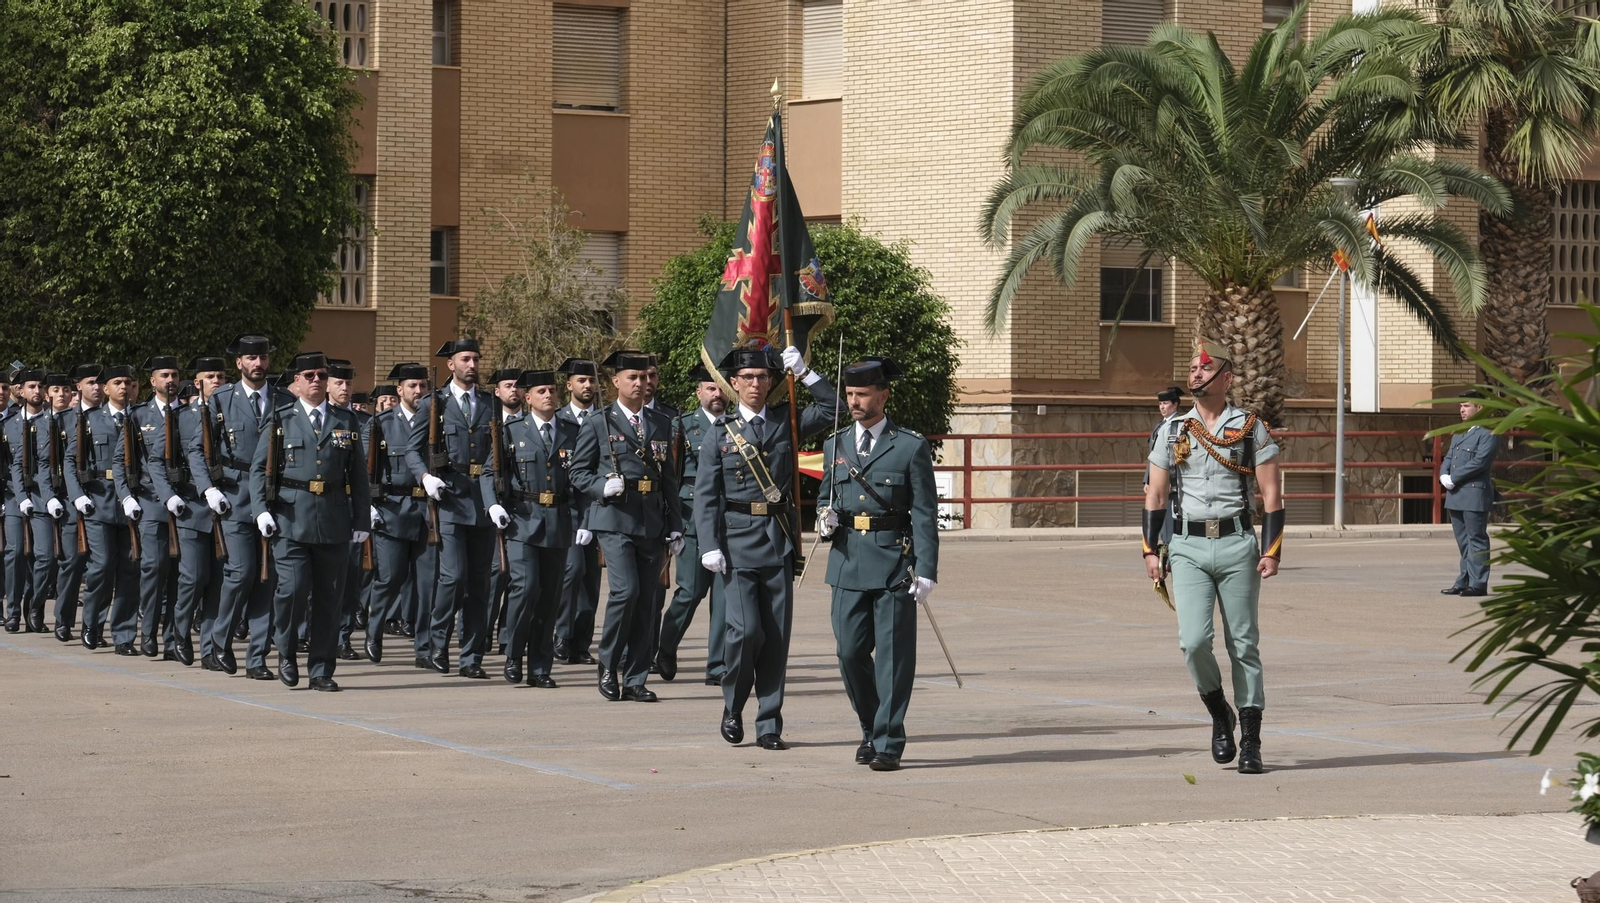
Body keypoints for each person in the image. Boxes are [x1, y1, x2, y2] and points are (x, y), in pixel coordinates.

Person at [1143, 338, 1283, 775]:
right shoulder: (1172, 430)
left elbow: (1272, 494)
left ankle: (1252, 741)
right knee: (1194, 641)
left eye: (1205, 369)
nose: (1195, 374)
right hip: (1186, 547)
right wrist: (1150, 549)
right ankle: (1220, 712)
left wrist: (1272, 549)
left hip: (1238, 543)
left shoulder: (1250, 428)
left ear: (1227, 378)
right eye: (1192, 369)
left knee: (1243, 644)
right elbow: (1157, 493)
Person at [695, 342, 838, 750]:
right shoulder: (718, 434)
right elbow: (707, 496)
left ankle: (769, 723)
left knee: (775, 639)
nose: (755, 383)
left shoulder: (785, 422)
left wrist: (807, 373)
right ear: (734, 383)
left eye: (762, 377)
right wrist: (709, 544)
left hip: (776, 541)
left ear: (772, 381)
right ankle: (733, 704)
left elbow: (833, 410)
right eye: (747, 378)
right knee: (745, 632)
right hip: (736, 545)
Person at [816, 357, 939, 771]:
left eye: (862, 394)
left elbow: (923, 512)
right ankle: (870, 725)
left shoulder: (908, 445)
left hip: (893, 565)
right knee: (849, 652)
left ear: (883, 396)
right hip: (847, 562)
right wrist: (824, 518)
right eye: (850, 394)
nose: (854, 401)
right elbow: (825, 499)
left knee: (892, 658)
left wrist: (926, 569)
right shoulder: (835, 444)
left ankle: (888, 741)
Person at [250, 352, 371, 691]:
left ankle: (321, 669)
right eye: (309, 375)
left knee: (329, 599)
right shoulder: (281, 419)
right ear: (297, 382)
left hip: (333, 521)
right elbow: (259, 469)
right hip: (290, 519)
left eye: (321, 374)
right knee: (292, 591)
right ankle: (286, 652)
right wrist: (260, 509)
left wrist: (361, 518)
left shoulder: (345, 421)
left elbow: (358, 476)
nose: (316, 379)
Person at [569, 350, 683, 702]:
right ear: (616, 382)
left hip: (651, 520)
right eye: (632, 377)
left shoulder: (662, 422)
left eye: (644, 377)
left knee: (648, 601)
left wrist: (676, 523)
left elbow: (669, 478)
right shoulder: (598, 422)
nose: (640, 383)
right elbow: (577, 472)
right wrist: (601, 487)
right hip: (615, 519)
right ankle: (608, 664)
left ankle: (635, 678)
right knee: (626, 591)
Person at [187, 334, 279, 678]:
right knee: (240, 573)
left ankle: (257, 658)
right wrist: (207, 488)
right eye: (251, 358)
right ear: (239, 363)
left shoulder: (282, 399)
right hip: (235, 495)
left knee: (266, 578)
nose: (258, 363)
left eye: (263, 357)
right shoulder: (221, 399)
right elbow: (197, 450)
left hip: (272, 496)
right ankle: (217, 643)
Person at [406, 339, 496, 679]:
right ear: (451, 365)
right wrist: (426, 476)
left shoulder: (490, 404)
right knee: (453, 576)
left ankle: (471, 656)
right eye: (465, 359)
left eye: (475, 358)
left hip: (483, 501)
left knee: (479, 583)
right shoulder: (435, 403)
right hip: (450, 498)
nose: (471, 364)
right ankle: (437, 644)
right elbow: (411, 451)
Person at [482, 369, 577, 688]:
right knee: (525, 590)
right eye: (541, 391)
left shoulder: (571, 431)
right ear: (527, 396)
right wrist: (493, 504)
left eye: (552, 390)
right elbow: (487, 473)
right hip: (523, 521)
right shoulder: (511, 431)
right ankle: (513, 652)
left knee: (550, 598)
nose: (548, 395)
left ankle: (540, 667)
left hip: (559, 522)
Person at [655, 364, 729, 686]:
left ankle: (718, 667)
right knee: (690, 593)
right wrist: (671, 523)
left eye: (721, 387)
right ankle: (665, 648)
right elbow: (670, 478)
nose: (717, 393)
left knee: (725, 602)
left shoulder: (739, 426)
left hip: (732, 522)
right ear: (698, 392)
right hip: (694, 521)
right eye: (710, 388)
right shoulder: (682, 427)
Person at [114, 356, 184, 658]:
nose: (170, 380)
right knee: (154, 569)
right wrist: (126, 497)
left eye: (174, 375)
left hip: (186, 504)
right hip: (151, 502)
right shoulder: (138, 415)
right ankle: (147, 632)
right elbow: (120, 461)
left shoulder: (191, 413)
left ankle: (172, 638)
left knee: (180, 574)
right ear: (152, 381)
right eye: (164, 375)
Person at [73, 365, 139, 651]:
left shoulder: (141, 419)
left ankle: (124, 635)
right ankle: (92, 623)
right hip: (99, 501)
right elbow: (69, 461)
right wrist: (78, 495)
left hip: (133, 504)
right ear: (106, 388)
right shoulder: (89, 421)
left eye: (127, 382)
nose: (123, 387)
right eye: (117, 382)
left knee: (129, 569)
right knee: (100, 566)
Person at [553, 357, 602, 665]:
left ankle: (582, 642)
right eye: (581, 381)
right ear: (568, 385)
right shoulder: (558, 420)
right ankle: (562, 634)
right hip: (568, 509)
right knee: (571, 572)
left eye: (592, 381)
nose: (588, 386)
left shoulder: (607, 420)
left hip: (599, 507)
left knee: (592, 579)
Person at [54, 364, 107, 643]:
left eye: (100, 382)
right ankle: (63, 620)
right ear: (79, 387)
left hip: (102, 501)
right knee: (72, 565)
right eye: (91, 382)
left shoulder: (110, 418)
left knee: (102, 566)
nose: (97, 387)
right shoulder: (62, 420)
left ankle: (94, 625)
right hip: (70, 502)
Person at [1440, 390, 1498, 598]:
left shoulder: (1488, 433)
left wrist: (1454, 477)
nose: (1462, 410)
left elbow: (1480, 462)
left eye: (1466, 406)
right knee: (1463, 541)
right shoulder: (1460, 432)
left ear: (1479, 408)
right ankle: (1464, 581)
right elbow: (1449, 457)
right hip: (1455, 495)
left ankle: (1478, 584)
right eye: (1461, 406)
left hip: (1474, 494)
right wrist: (1443, 475)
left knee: (1476, 539)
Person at [2, 369, 44, 633]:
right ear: (21, 391)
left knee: (43, 558)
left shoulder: (53, 422)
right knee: (15, 553)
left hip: (43, 496)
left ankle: (34, 605)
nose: (36, 391)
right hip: (14, 495)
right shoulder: (8, 425)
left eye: (41, 387)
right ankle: (13, 611)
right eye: (31, 387)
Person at [487, 367, 524, 653]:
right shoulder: (487, 421)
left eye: (518, 386)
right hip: (489, 507)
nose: (514, 390)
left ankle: (506, 635)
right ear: (497, 391)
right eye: (508, 385)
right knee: (494, 575)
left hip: (520, 509)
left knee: (515, 576)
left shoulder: (528, 423)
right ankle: (482, 631)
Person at [1145, 386, 1183, 548]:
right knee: (1161, 512)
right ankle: (1166, 542)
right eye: (1160, 404)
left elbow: (1177, 455)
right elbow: (1153, 457)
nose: (1162, 407)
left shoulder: (1179, 425)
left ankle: (1171, 543)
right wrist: (1147, 480)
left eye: (1166, 403)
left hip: (1171, 478)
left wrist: (1170, 479)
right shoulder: (1159, 426)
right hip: (1157, 477)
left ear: (1175, 405)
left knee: (1171, 512)